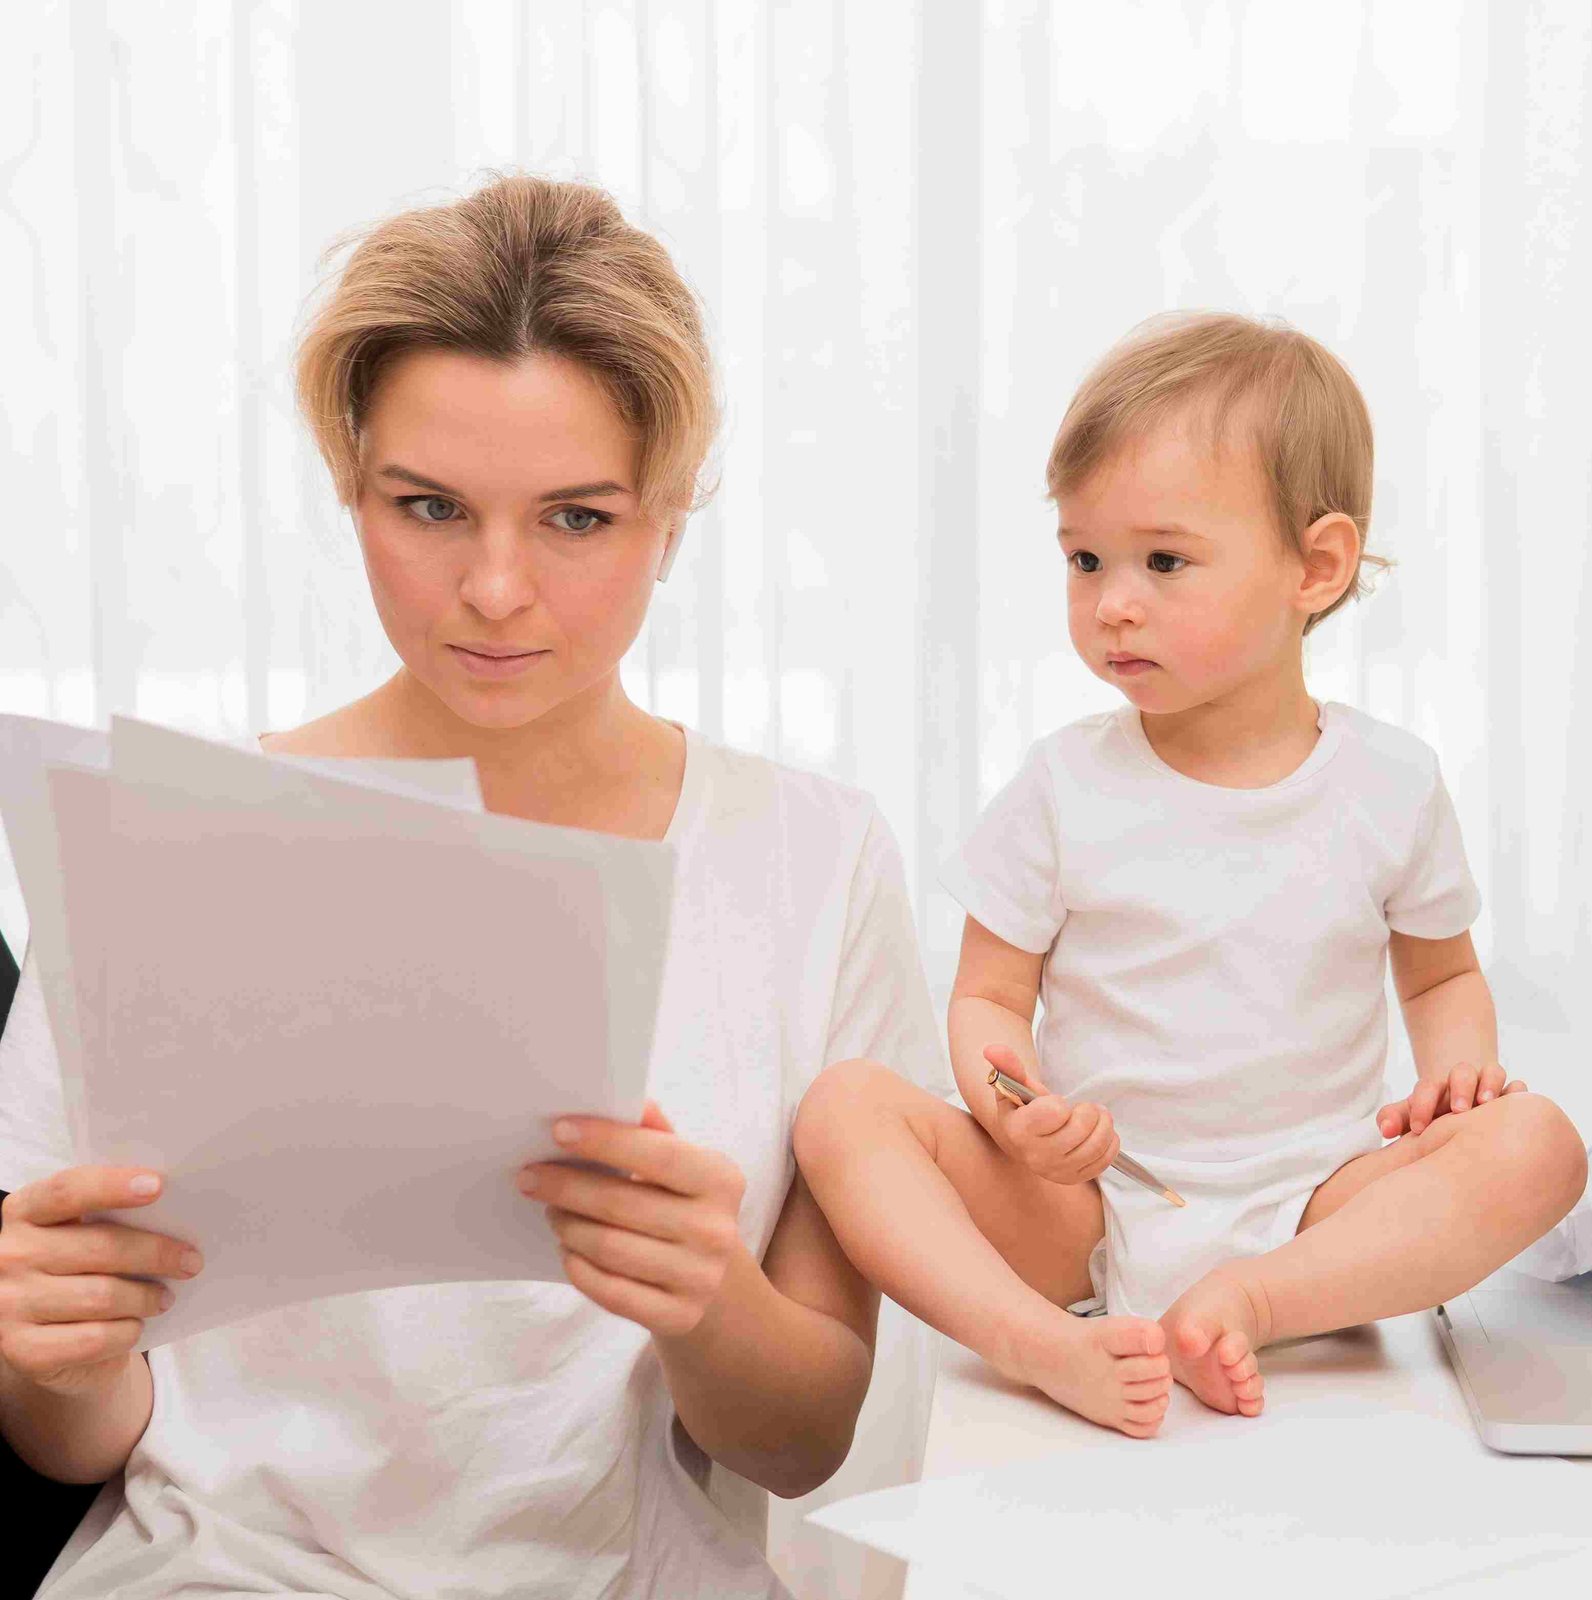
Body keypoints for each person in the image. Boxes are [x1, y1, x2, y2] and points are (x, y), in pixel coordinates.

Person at [0, 173, 943, 1598]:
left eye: (577, 520)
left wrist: (707, 1301)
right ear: (351, 487)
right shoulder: (167, 847)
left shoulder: (811, 859)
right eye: (429, 506)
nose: (496, 588)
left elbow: (803, 1440)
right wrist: (49, 1356)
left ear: (673, 517)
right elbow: (82, 1441)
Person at [793, 311, 1590, 1434]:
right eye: (1084, 559)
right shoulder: (1061, 786)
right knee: (840, 1107)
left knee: (1539, 1143)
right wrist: (1013, 1104)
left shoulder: (1391, 785)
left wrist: (1458, 1075)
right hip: (1089, 1207)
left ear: (1315, 565)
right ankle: (1039, 1342)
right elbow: (984, 996)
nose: (1111, 600)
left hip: (1320, 1201)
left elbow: (1440, 979)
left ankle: (1258, 1300)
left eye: (1162, 560)